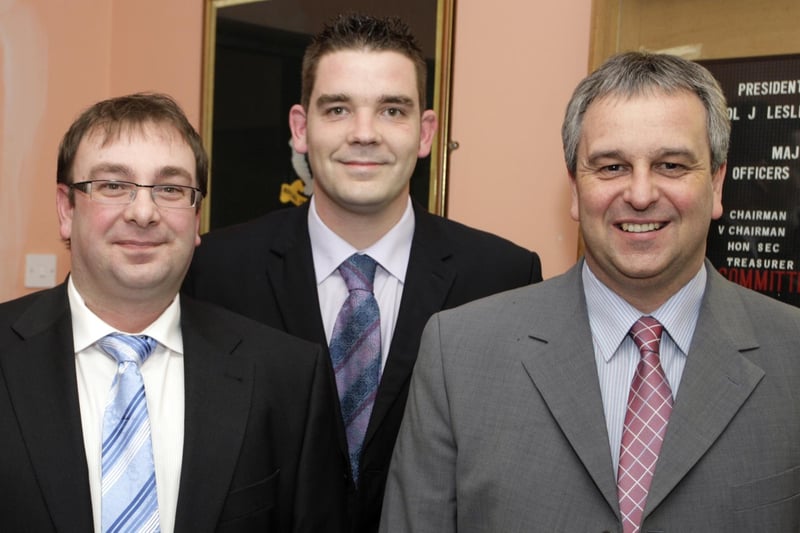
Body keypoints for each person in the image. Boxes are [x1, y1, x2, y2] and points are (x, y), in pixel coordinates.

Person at [379, 51, 800, 532]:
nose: (641, 194)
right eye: (612, 167)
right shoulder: (458, 355)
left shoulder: (793, 356)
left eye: (671, 165)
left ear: (717, 184)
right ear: (575, 191)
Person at [182, 13, 542, 533]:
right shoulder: (214, 271)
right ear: (301, 130)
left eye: (392, 110)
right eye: (338, 109)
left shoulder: (503, 277)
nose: (364, 134)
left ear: (425, 132)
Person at [0, 93, 344, 532]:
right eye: (113, 185)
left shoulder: (287, 378)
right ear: (66, 209)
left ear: (196, 217)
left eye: (171, 189)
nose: (143, 212)